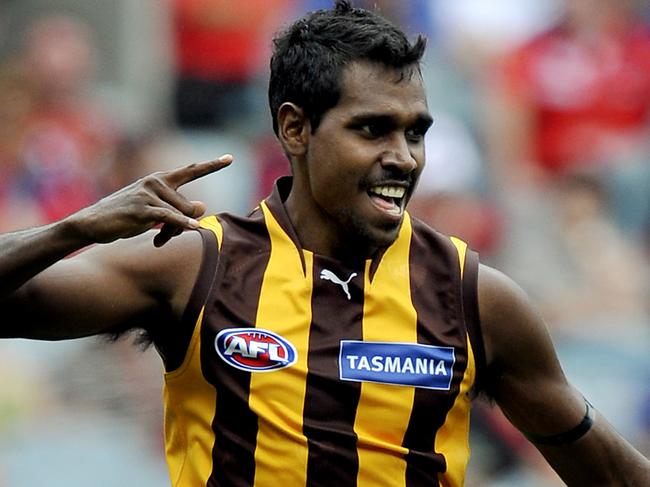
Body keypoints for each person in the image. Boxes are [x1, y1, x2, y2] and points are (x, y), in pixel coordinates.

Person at [1, 1, 649, 486]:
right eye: (373, 129)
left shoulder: (475, 295)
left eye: (414, 133)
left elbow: (614, 477)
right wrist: (74, 228)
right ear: (296, 127)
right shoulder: (196, 263)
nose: (402, 157)